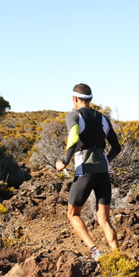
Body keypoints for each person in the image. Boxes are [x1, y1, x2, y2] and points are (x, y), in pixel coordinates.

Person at [55, 83, 121, 260]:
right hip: (103, 173)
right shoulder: (103, 118)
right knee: (104, 219)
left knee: (73, 214)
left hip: (84, 172)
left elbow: (74, 137)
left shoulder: (73, 116)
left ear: (75, 99)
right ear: (90, 99)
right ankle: (117, 256)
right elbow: (117, 147)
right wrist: (106, 160)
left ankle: (95, 250)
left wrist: (65, 161)